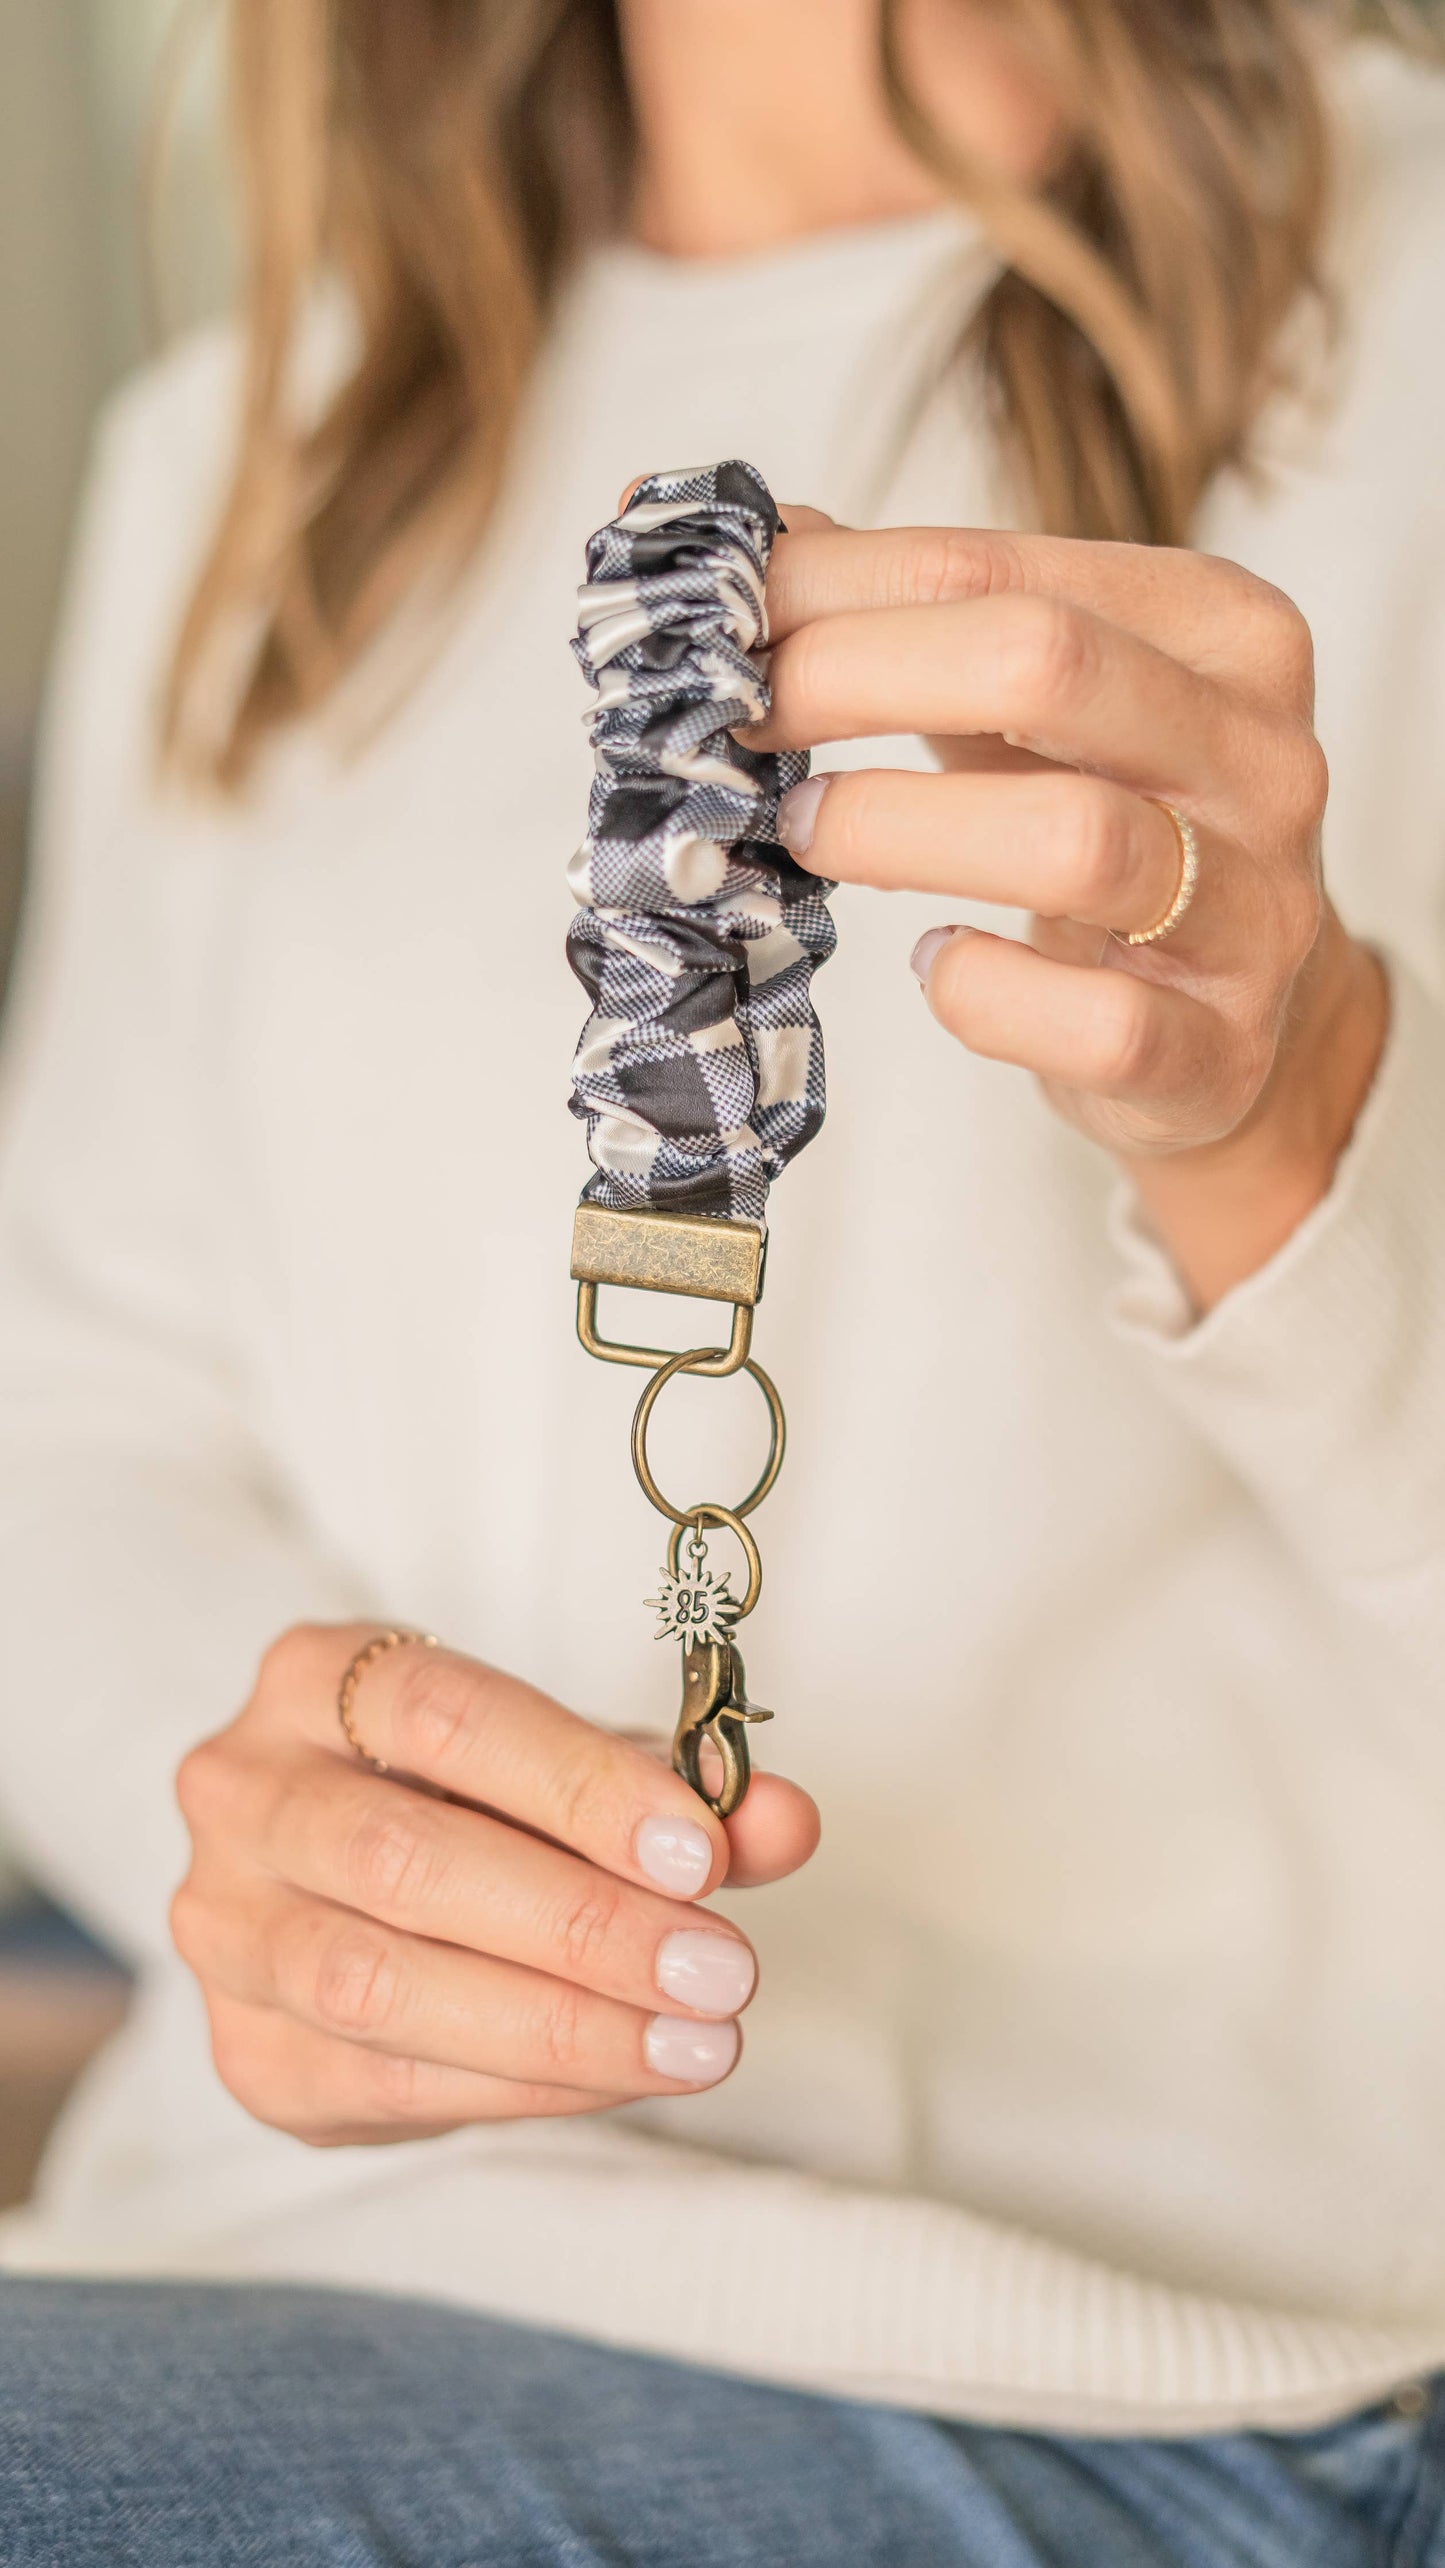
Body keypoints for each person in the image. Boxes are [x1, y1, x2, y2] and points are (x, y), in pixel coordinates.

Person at [1, 1, 1443, 2559]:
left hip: (1143, 2354)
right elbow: (78, 1414)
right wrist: (248, 1815)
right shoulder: (236, 458)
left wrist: (1312, 1135)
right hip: (241, 2253)